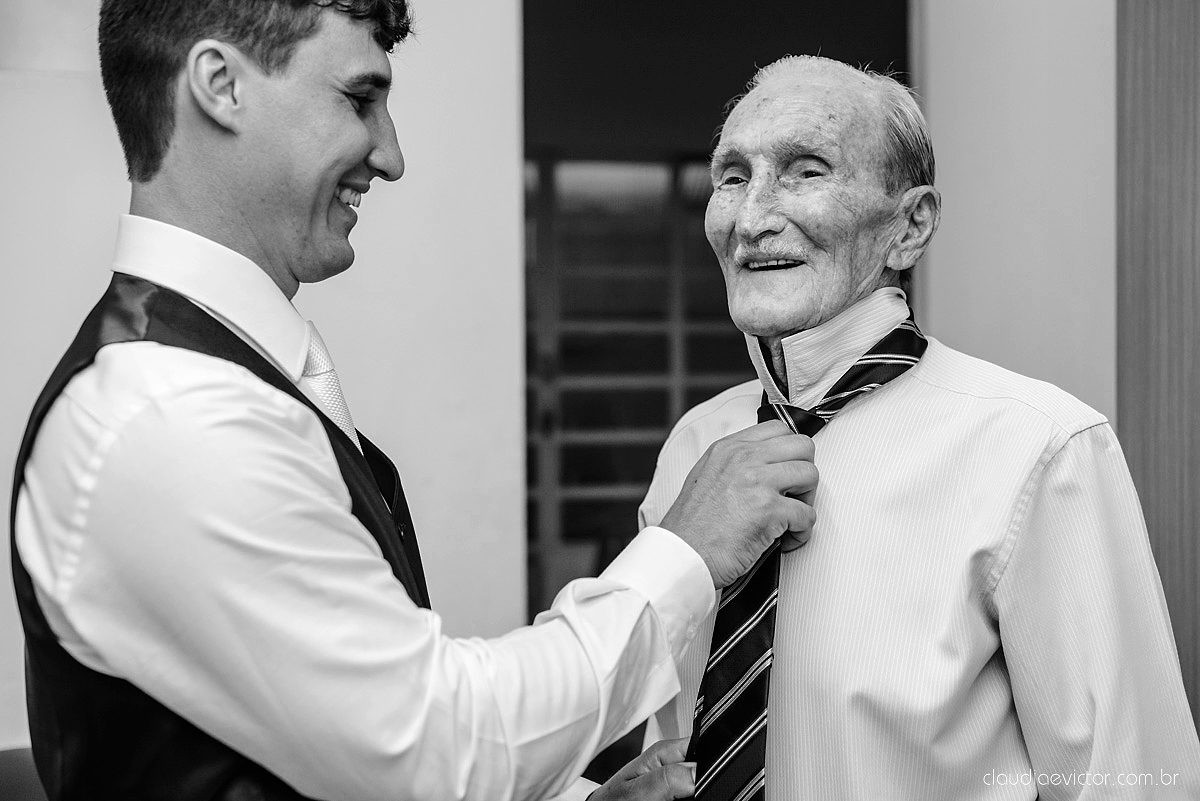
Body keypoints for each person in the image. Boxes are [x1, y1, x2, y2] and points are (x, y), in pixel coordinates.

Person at [8, 3, 820, 800]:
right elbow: (436, 749)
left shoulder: (225, 376)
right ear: (221, 84)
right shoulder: (167, 410)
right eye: (360, 99)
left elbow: (334, 746)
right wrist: (682, 551)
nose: (390, 156)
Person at [634, 55, 1200, 800]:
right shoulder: (695, 447)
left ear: (911, 225)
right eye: (733, 175)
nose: (750, 217)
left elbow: (1127, 778)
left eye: (807, 170)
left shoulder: (1041, 446)